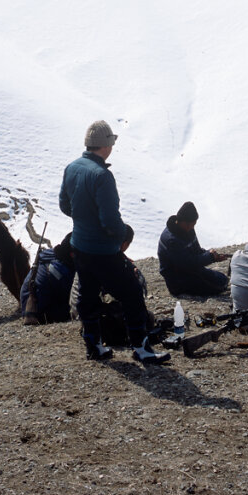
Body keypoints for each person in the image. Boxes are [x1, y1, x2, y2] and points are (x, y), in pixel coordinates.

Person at [59, 120, 169, 364]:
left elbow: (65, 205)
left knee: (87, 296)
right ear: (106, 146)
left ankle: (94, 346)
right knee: (131, 294)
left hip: (80, 246)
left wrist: (83, 220)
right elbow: (109, 220)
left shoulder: (72, 168)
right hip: (104, 251)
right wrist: (121, 234)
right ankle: (141, 348)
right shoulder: (102, 176)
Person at [157, 201, 230, 297]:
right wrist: (209, 257)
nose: (191, 228)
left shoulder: (188, 229)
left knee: (222, 280)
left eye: (193, 225)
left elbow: (196, 251)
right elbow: (187, 263)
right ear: (182, 221)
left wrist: (213, 256)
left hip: (190, 271)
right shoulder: (172, 240)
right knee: (218, 286)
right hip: (177, 279)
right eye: (190, 225)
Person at [20, 234, 75, 325]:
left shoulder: (47, 256)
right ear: (71, 254)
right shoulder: (59, 268)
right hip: (41, 313)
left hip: (27, 307)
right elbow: (71, 294)